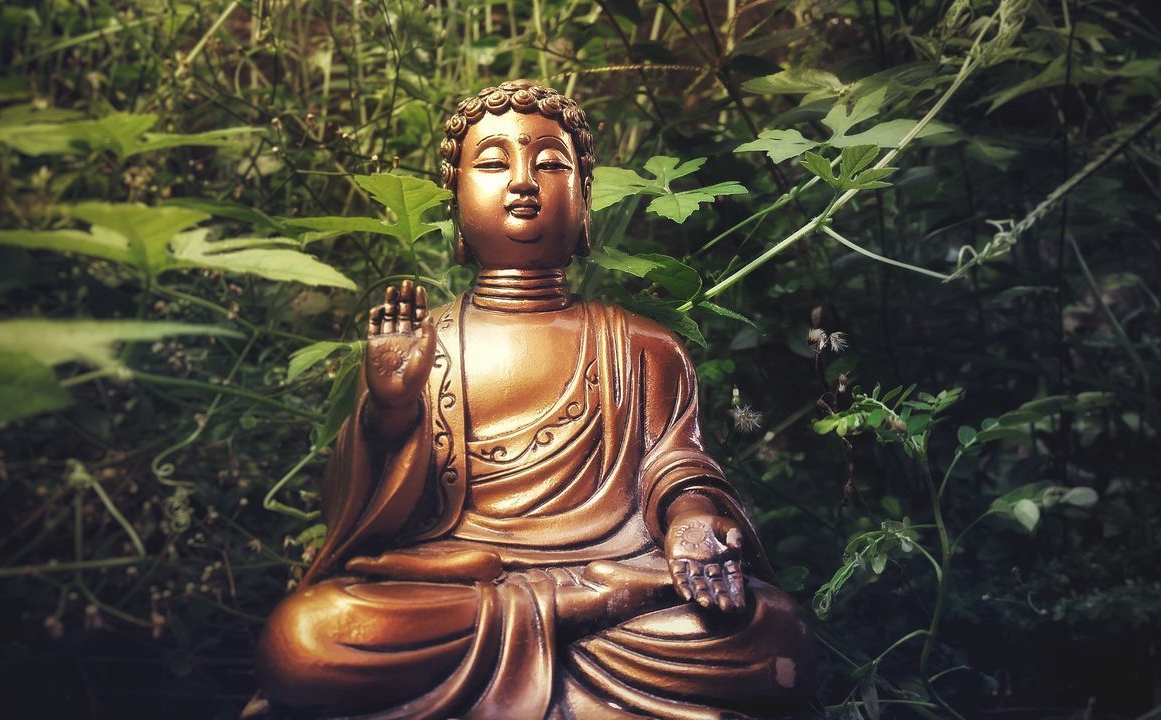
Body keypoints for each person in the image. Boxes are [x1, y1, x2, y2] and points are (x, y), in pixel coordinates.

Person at [256, 80, 816, 719]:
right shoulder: (421, 343)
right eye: (493, 163)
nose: (523, 181)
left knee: (773, 631)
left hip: (609, 572)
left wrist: (690, 520)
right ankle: (587, 608)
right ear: (457, 200)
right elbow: (365, 519)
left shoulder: (642, 344)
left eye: (550, 163)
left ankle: (596, 603)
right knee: (309, 635)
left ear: (583, 205)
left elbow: (676, 464)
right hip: (464, 584)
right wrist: (389, 410)